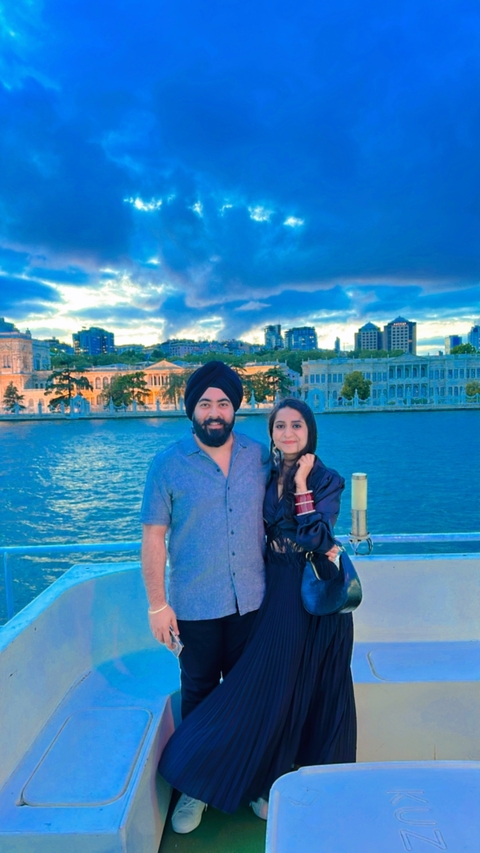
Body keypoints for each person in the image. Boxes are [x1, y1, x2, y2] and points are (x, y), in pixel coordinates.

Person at [158, 397, 356, 826]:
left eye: (296, 426)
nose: (287, 434)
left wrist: (302, 486)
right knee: (268, 688)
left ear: (310, 432)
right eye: (280, 426)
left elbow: (318, 538)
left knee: (306, 691)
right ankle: (209, 777)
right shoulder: (264, 473)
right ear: (270, 433)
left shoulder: (326, 479)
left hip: (313, 596)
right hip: (272, 592)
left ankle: (286, 783)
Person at [140, 360, 270, 833]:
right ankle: (195, 786)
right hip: (194, 604)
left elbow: (294, 496)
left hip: (253, 602)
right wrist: (158, 604)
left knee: (249, 694)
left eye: (222, 403)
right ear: (191, 410)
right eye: (204, 404)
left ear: (235, 409)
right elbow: (154, 537)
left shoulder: (260, 456)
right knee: (198, 695)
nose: (214, 412)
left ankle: (252, 779)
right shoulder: (168, 464)